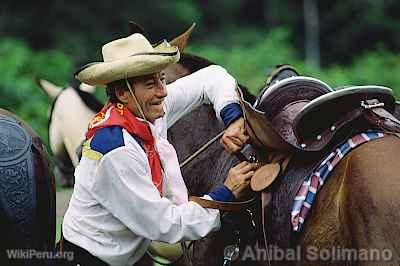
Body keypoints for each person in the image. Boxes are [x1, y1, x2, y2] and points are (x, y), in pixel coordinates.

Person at [59, 33, 257, 266]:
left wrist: (232, 118)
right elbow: (165, 224)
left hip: (127, 255)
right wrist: (225, 193)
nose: (163, 91)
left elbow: (211, 77)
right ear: (123, 93)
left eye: (162, 79)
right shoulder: (115, 150)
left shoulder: (145, 110)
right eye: (150, 84)